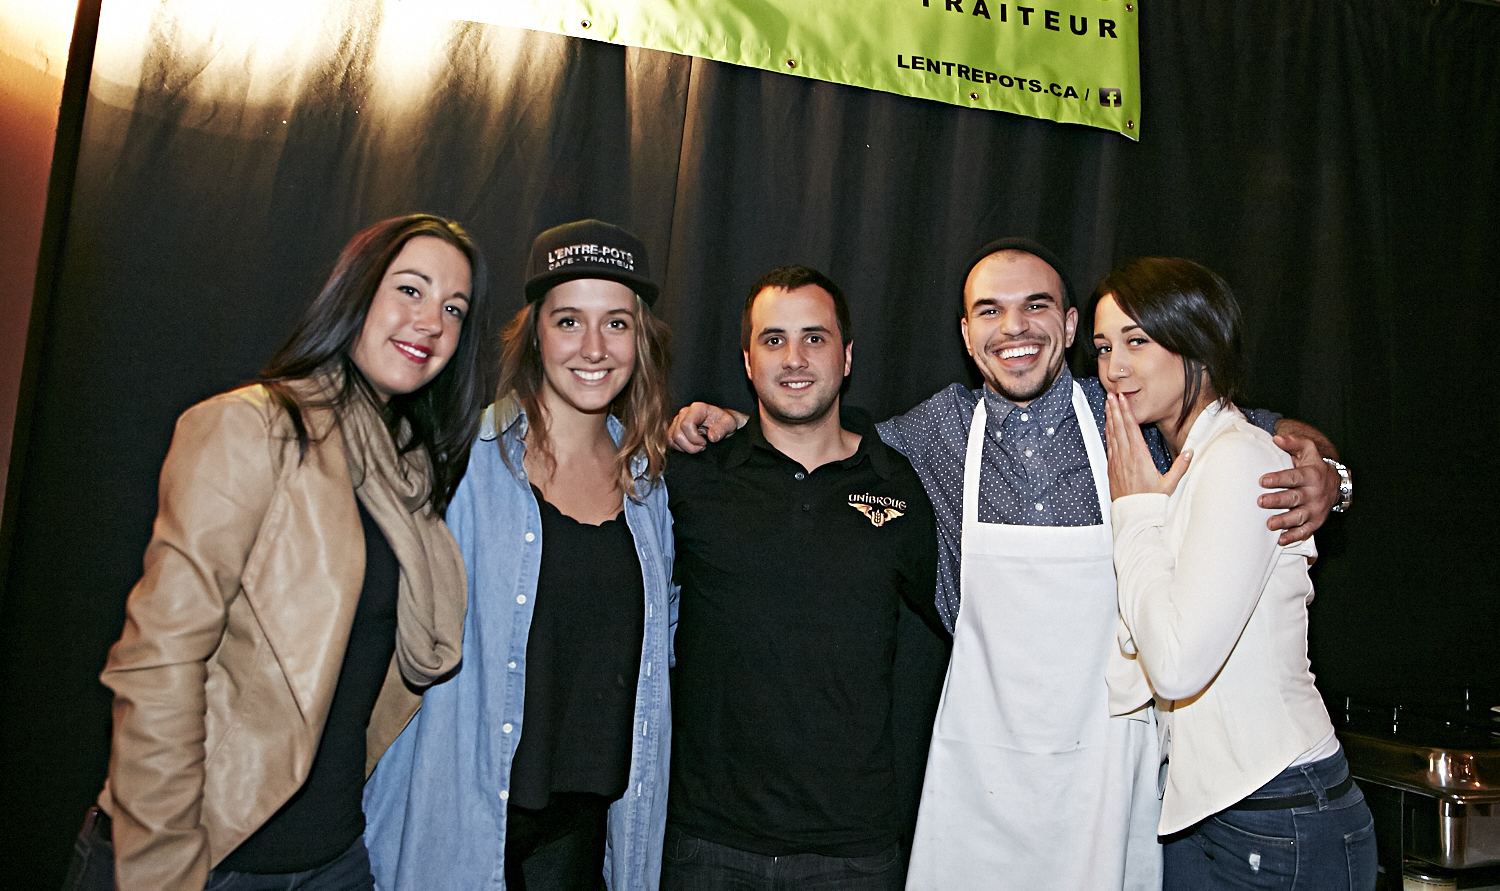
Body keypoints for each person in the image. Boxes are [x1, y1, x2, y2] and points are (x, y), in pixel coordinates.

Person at [669, 238, 1346, 890]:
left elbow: (1268, 432)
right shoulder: (930, 433)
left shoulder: (1134, 413)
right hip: (981, 774)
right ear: (966, 335)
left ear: (1072, 323)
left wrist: (1328, 478)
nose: (1013, 327)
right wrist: (730, 422)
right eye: (990, 310)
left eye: (1036, 305)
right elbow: (815, 429)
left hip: (1107, 771)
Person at [66, 214, 488, 891]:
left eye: (454, 308)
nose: (431, 321)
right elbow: (158, 663)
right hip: (206, 855)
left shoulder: (406, 477)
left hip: (331, 858)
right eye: (410, 290)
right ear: (355, 293)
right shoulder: (252, 427)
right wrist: (166, 864)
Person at [363, 220, 676, 891]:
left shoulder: (651, 490)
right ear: (535, 331)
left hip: (579, 838)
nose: (593, 347)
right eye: (569, 320)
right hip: (456, 824)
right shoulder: (460, 461)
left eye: (616, 324)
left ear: (641, 339)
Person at [661, 266, 949, 891]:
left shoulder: (901, 482)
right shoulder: (691, 476)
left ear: (847, 357)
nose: (794, 358)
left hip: (854, 851)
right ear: (747, 360)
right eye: (773, 339)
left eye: (814, 338)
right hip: (706, 845)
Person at [1096, 257, 1375, 891]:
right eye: (1106, 346)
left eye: (1137, 341)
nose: (1114, 367)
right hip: (1214, 812)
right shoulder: (1193, 461)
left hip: (1281, 812)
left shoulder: (1239, 458)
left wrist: (1135, 513)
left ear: (1196, 339)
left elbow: (1176, 663)